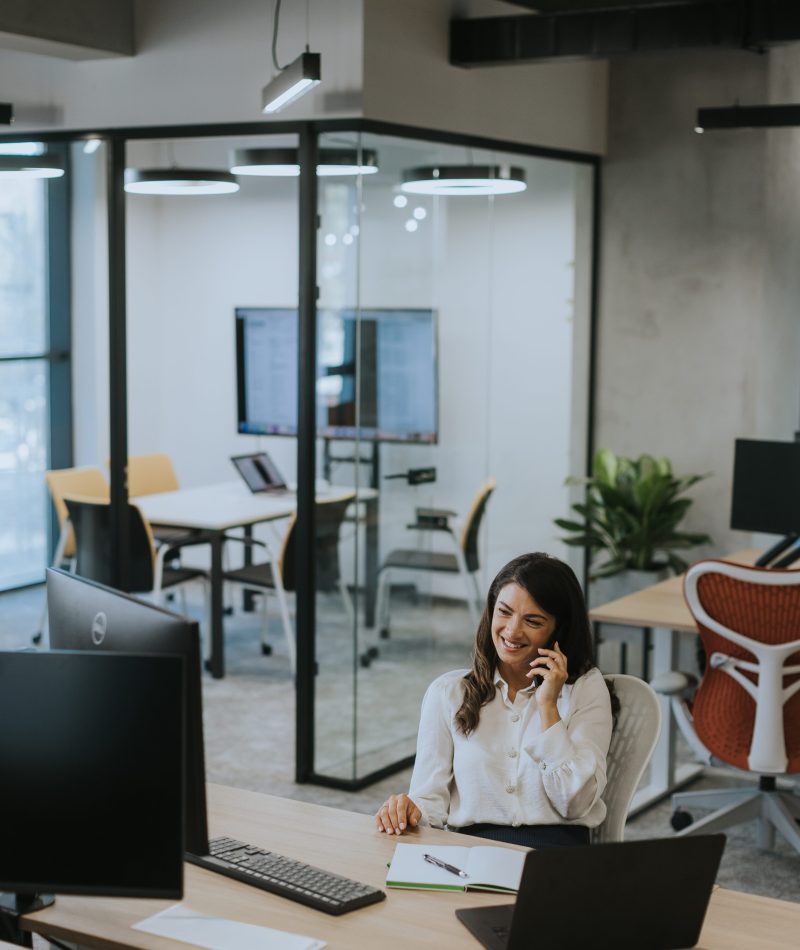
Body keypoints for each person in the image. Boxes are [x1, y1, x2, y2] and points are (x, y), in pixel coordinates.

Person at [375, 552, 614, 848]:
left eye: (533, 620)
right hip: (472, 853)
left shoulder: (585, 689)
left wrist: (548, 706)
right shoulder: (448, 693)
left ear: (558, 630)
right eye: (504, 612)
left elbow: (575, 804)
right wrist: (409, 809)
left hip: (556, 855)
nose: (512, 630)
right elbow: (430, 802)